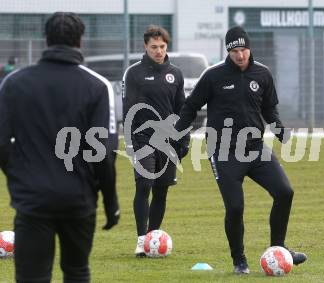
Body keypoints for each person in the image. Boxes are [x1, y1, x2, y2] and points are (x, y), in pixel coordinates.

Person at [174, 26, 307, 274]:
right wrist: (177, 135)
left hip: (255, 149)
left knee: (285, 192)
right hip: (223, 151)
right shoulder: (213, 76)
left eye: (244, 49)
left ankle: (278, 250)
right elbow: (190, 107)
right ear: (228, 51)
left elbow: (269, 110)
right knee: (235, 207)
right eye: (235, 50)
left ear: (250, 48)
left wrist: (280, 130)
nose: (240, 55)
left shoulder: (263, 74)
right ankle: (239, 261)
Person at [0, 12, 120, 282]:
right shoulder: (97, 86)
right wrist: (110, 201)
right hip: (77, 199)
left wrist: (20, 179)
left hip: (32, 200)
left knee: (32, 277)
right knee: (76, 272)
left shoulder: (14, 83)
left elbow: (2, 144)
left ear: (46, 40)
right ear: (80, 41)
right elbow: (103, 153)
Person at [122, 25, 188, 257]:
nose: (158, 51)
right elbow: (127, 109)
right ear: (145, 47)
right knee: (144, 185)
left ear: (166, 46)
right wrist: (129, 142)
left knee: (161, 191)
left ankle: (153, 238)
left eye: (161, 46)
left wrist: (184, 139)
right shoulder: (134, 73)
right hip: (142, 139)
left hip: (168, 141)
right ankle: (142, 240)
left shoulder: (176, 74)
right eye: (153, 47)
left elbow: (182, 109)